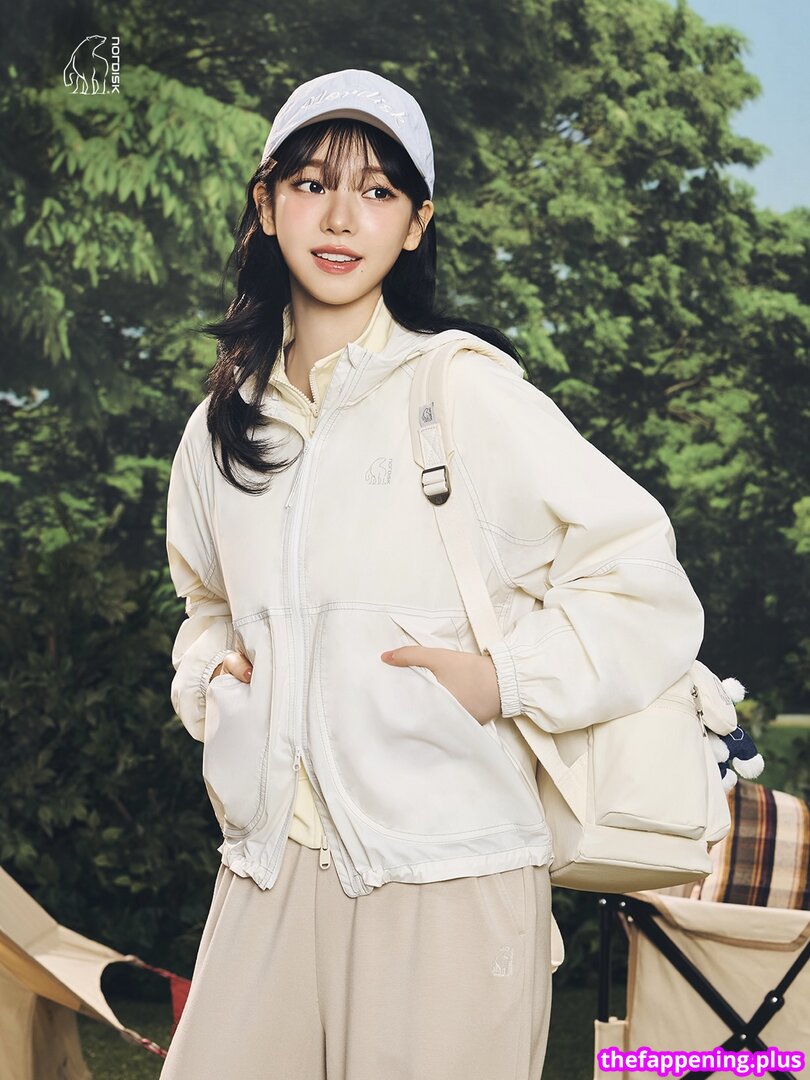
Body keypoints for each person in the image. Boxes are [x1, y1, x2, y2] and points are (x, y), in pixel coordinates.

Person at [160, 69, 705, 1079]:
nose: (341, 217)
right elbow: (206, 604)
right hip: (269, 869)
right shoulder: (219, 430)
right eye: (313, 183)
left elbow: (641, 579)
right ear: (267, 203)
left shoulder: (463, 394)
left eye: (378, 191)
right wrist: (212, 676)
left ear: (415, 226)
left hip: (451, 871)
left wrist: (506, 680)